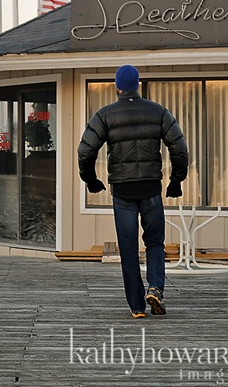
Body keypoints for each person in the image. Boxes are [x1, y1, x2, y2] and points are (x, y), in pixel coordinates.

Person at [77, 64, 188, 319]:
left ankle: (137, 307)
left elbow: (85, 151)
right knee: (154, 242)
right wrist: (176, 181)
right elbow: (179, 148)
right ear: (137, 85)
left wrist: (90, 179)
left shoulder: (105, 115)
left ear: (117, 87)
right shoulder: (158, 111)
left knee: (128, 249)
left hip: (123, 191)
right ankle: (155, 288)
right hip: (150, 188)